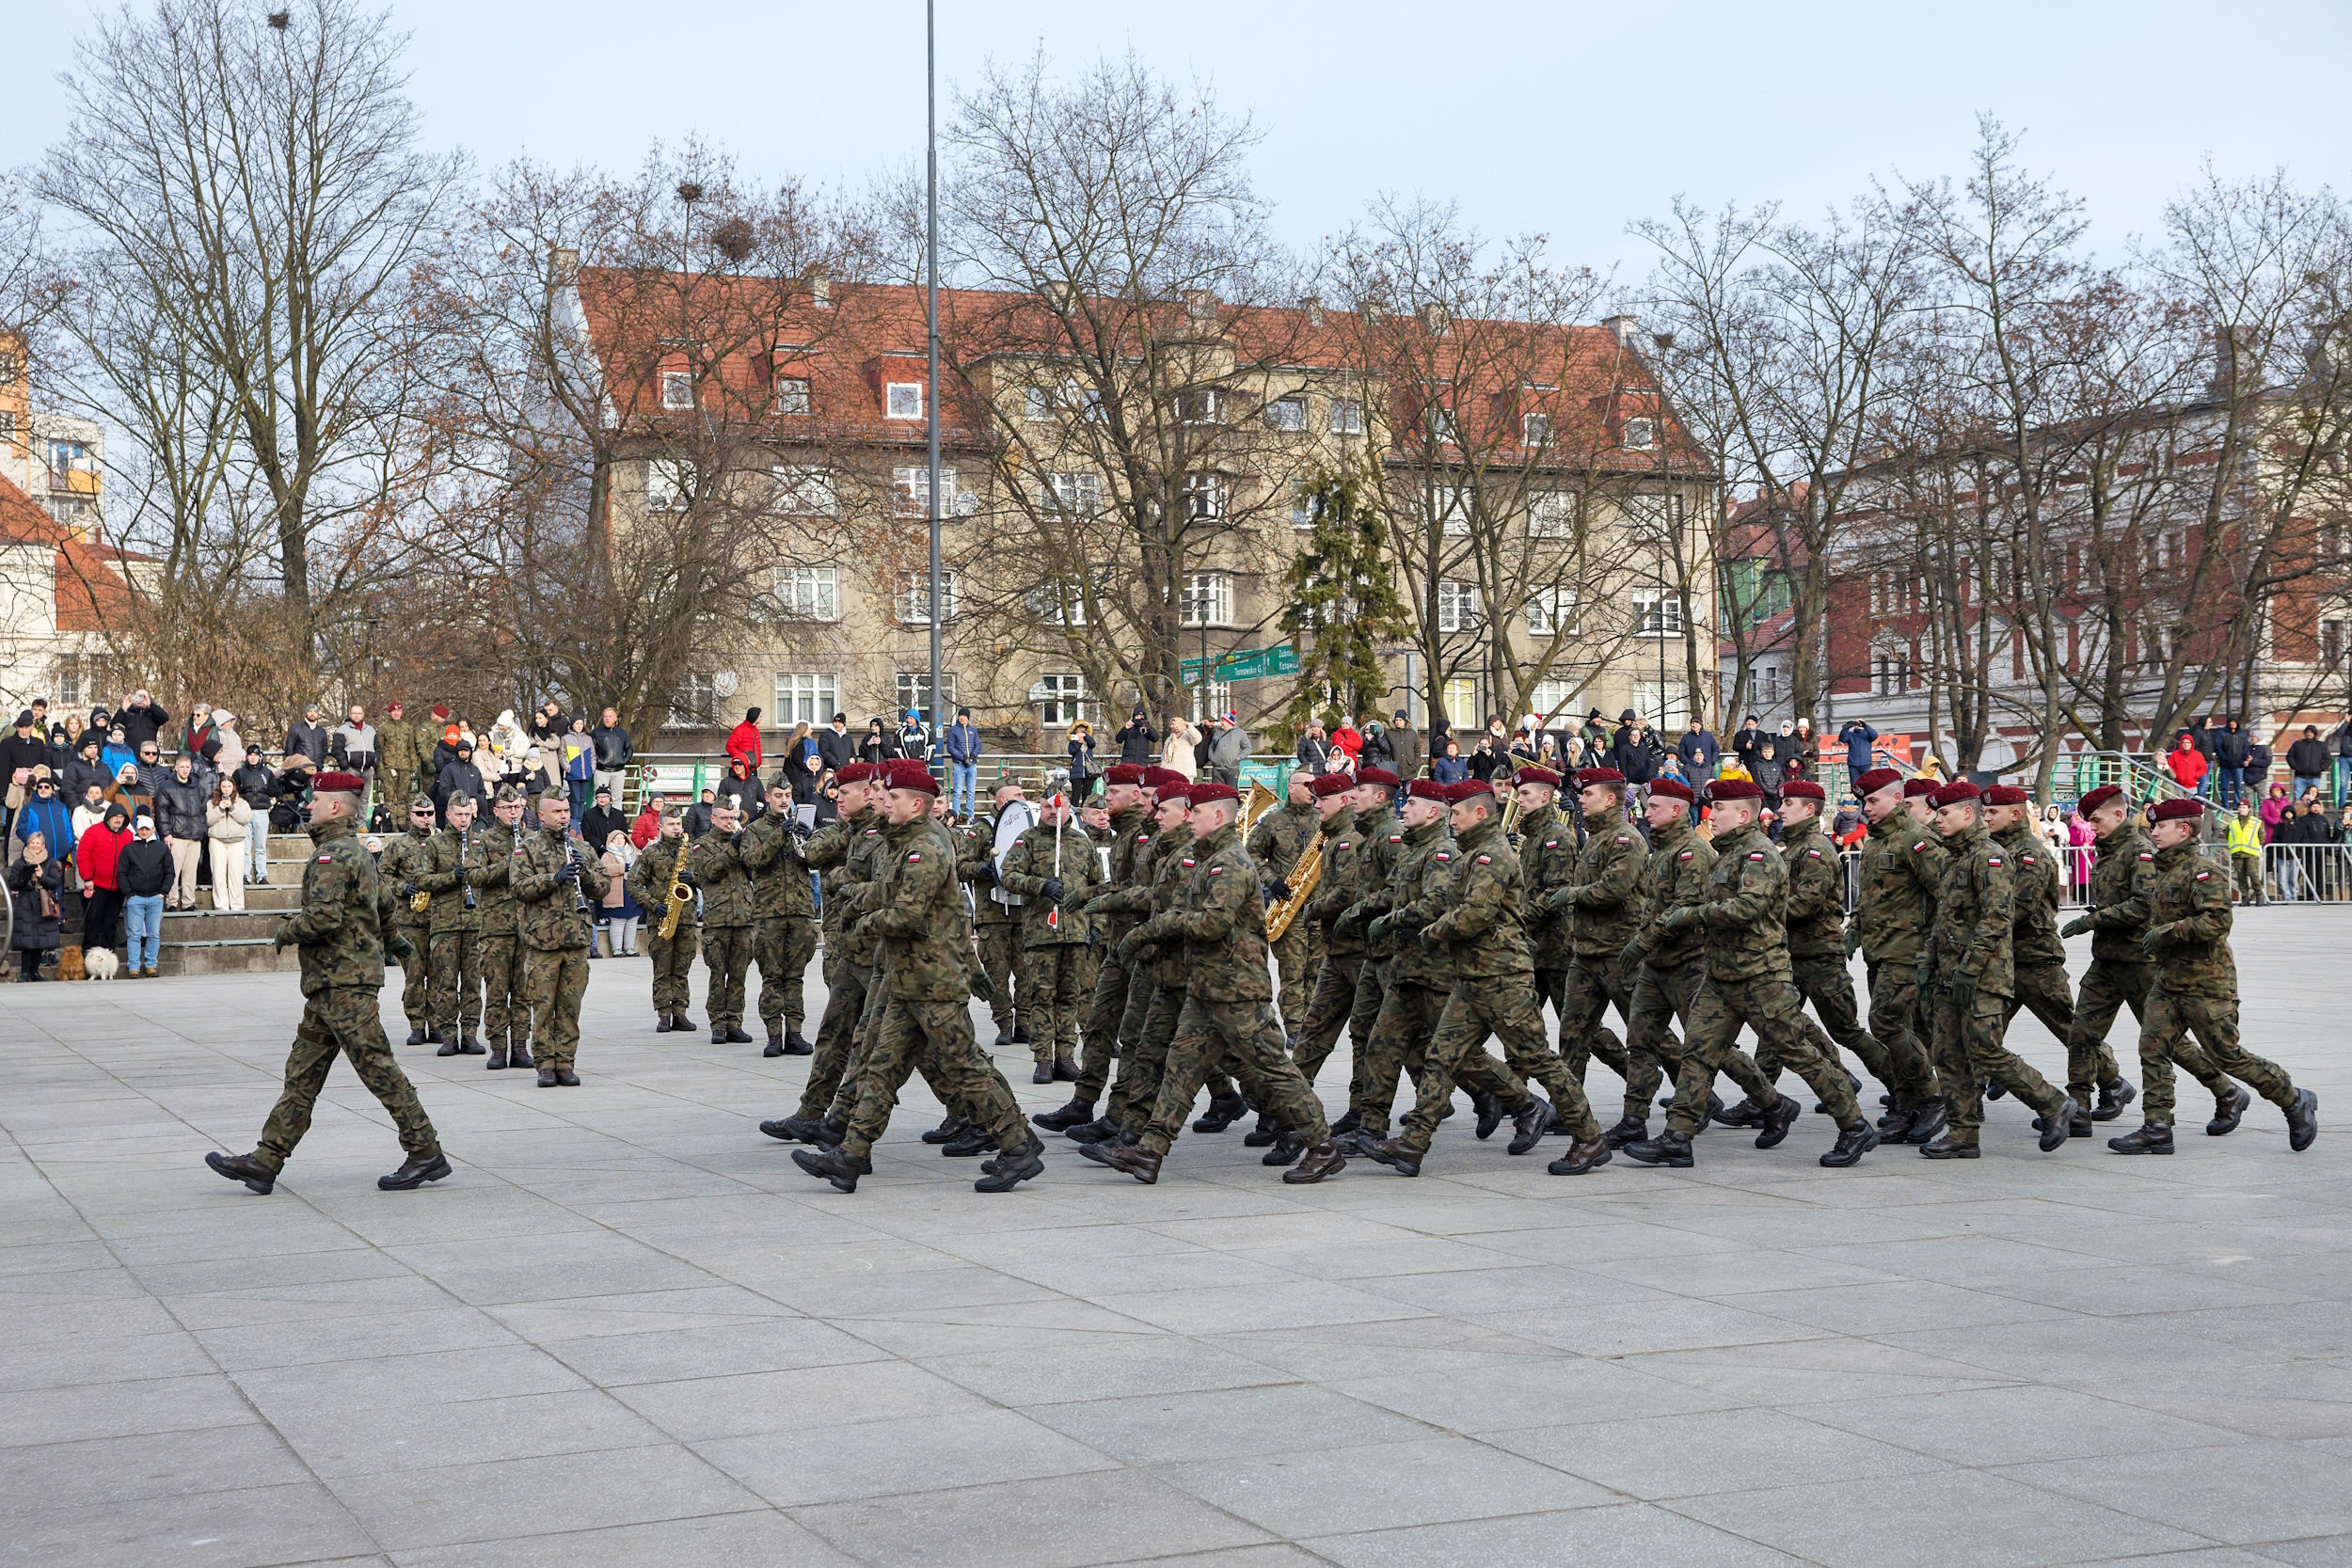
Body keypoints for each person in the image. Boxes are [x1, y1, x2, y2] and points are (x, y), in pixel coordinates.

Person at [202, 771, 448, 1195]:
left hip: (343, 984)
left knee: (377, 1067)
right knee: (303, 1074)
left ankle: (425, 1149)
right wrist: (398, 944)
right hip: (332, 986)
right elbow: (385, 906)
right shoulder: (358, 854)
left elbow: (325, 918)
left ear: (335, 807)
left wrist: (285, 931)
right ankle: (265, 1160)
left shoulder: (330, 857)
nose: (309, 806)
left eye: (315, 800)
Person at [1089, 781, 1345, 1184]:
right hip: (1206, 988)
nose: (1188, 819)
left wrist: (1156, 928)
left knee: (1274, 1070)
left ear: (1219, 816)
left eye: (1196, 813)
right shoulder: (1205, 859)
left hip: (1238, 991)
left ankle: (1323, 1146)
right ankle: (1149, 1151)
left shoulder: (1230, 862)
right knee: (1180, 1067)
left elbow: (1212, 923)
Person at [1625, 778, 1881, 1170]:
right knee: (1697, 1052)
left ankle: (1854, 1124)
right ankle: (1678, 1137)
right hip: (1722, 974)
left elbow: (1748, 908)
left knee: (1798, 1052)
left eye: (1720, 809)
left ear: (1743, 814)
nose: (1712, 815)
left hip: (1761, 975)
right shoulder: (1727, 854)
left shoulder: (1759, 854)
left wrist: (1691, 915)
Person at [1360, 779, 1610, 1175]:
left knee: (1537, 1059)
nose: (1451, 821)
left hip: (1502, 976)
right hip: (1472, 977)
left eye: (1456, 813)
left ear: (1478, 813)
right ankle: (1412, 1145)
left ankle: (1590, 1137)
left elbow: (1476, 914)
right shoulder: (1470, 854)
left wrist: (1430, 934)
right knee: (1441, 1056)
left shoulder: (1492, 856)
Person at [2106, 798, 2319, 1155]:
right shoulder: (2164, 870)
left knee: (2226, 1055)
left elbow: (2218, 921)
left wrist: (2166, 933)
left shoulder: (2204, 870)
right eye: (2153, 826)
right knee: (2153, 1047)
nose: (2153, 832)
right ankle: (2157, 1127)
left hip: (2207, 983)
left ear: (2183, 829)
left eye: (2160, 827)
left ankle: (2294, 1098)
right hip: (2168, 980)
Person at [1843, 770, 1947, 1142]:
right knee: (1894, 1029)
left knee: (1885, 1022)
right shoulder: (1875, 842)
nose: (1866, 808)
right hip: (1880, 950)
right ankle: (1906, 1102)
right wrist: (1854, 930)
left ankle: (1933, 1097)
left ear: (1898, 798)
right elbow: (1869, 898)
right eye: (1864, 802)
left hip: (1908, 950)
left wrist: (1933, 947)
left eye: (1873, 801)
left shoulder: (1916, 840)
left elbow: (1946, 895)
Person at [998, 789, 1106, 1084]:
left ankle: (1065, 1057)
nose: (1052, 812)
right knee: (1042, 997)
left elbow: (1098, 888)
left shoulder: (1083, 843)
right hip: (1041, 932)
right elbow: (1007, 875)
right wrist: (1040, 886)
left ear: (1069, 808)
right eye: (1046, 807)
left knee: (1071, 997)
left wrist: (1096, 925)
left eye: (1057, 807)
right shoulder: (1028, 840)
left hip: (1077, 933)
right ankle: (1043, 1059)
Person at [511, 789, 610, 1086]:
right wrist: (553, 879)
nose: (564, 816)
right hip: (543, 943)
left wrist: (585, 874)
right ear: (542, 815)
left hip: (577, 941)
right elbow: (518, 887)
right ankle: (544, 1064)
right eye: (557, 812)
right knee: (543, 1008)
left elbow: (603, 887)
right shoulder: (527, 849)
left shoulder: (582, 848)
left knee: (570, 1007)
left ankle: (565, 1063)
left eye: (566, 810)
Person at [741, 781, 818, 1055]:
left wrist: (808, 840)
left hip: (799, 910)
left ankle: (794, 1033)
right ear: (767, 797)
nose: (783, 800)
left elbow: (816, 862)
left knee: (795, 976)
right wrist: (777, 838)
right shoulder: (755, 829)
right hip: (768, 913)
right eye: (778, 796)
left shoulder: (800, 826)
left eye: (787, 795)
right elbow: (752, 861)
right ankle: (774, 1035)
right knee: (772, 976)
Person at [468, 785, 535, 1069]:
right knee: (497, 990)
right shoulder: (483, 841)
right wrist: (508, 864)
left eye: (517, 807)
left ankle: (521, 1046)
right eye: (507, 808)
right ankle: (498, 1047)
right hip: (496, 926)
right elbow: (474, 875)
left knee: (523, 990)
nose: (513, 812)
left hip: (528, 925)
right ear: (496, 811)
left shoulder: (533, 839)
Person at [683, 800, 757, 1045]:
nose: (729, 822)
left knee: (739, 976)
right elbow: (709, 871)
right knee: (718, 974)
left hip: (743, 918)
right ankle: (718, 1024)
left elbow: (753, 872)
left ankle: (735, 1023)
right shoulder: (701, 845)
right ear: (713, 819)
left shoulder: (742, 841)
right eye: (724, 818)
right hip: (718, 920)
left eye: (732, 818)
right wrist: (733, 849)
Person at [628, 804, 698, 1032]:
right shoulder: (651, 853)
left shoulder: (691, 851)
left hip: (685, 916)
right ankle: (663, 1014)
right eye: (671, 825)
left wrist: (694, 877)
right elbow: (633, 883)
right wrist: (653, 904)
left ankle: (680, 1012)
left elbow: (708, 877)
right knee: (662, 967)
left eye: (679, 824)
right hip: (661, 917)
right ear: (660, 827)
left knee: (683, 966)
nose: (676, 829)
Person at [116, 812, 173, 974]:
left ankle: (150, 965)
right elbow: (122, 873)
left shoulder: (162, 848)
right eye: (142, 829)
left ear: (153, 829)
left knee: (153, 934)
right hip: (136, 897)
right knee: (134, 934)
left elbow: (169, 871)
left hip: (155, 896)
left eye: (147, 829)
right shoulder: (129, 849)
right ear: (137, 829)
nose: (144, 831)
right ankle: (133, 966)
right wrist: (129, 893)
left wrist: (163, 891)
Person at [77, 803, 132, 959]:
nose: (118, 820)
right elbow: (83, 855)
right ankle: (89, 956)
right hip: (96, 885)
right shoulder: (93, 832)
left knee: (111, 922)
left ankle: (108, 957)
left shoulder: (127, 835)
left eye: (121, 817)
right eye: (115, 816)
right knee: (93, 919)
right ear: (108, 817)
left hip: (117, 887)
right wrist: (87, 878)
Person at [8, 831, 65, 980]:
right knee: (26, 939)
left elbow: (56, 882)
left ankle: (34, 972)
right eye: (32, 843)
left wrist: (42, 876)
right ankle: (24, 973)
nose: (34, 845)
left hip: (43, 904)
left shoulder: (50, 862)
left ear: (43, 845)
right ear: (28, 844)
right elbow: (12, 883)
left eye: (37, 843)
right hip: (25, 904)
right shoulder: (19, 862)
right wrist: (25, 878)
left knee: (40, 939)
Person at [154, 753, 207, 911]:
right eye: (182, 767)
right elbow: (161, 811)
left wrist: (202, 831)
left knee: (190, 872)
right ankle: (171, 902)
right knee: (173, 871)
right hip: (176, 836)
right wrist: (166, 833)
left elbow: (203, 811)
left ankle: (188, 902)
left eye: (187, 767)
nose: (185, 770)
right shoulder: (166, 786)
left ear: (191, 768)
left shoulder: (198, 787)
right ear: (175, 767)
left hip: (194, 836)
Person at [204, 775, 252, 911]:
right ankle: (221, 906)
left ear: (233, 787)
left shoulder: (241, 802)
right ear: (220, 787)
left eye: (229, 787)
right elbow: (208, 820)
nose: (226, 790)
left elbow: (246, 818)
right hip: (217, 841)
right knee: (218, 875)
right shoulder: (211, 803)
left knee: (236, 875)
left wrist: (232, 808)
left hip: (236, 841)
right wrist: (219, 809)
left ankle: (237, 905)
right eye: (224, 787)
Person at [231, 743, 276, 885]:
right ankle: (245, 876)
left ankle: (262, 875)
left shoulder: (267, 773)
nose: (253, 758)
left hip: (262, 811)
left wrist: (268, 791)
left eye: (255, 755)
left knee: (260, 847)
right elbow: (233, 790)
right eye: (250, 755)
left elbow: (275, 790)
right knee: (245, 847)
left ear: (260, 757)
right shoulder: (239, 772)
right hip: (245, 811)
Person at [600, 829, 640, 958]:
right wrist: (623, 867)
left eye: (621, 838)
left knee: (633, 920)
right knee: (618, 920)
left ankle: (629, 948)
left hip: (632, 890)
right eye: (615, 838)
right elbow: (604, 869)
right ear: (611, 841)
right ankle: (617, 949)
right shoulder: (607, 855)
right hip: (617, 892)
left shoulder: (634, 852)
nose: (619, 840)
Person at [943, 706, 983, 817]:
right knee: (958, 793)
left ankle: (971, 817)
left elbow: (978, 745)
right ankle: (955, 816)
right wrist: (963, 758)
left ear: (968, 717)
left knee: (971, 793)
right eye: (961, 715)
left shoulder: (973, 730)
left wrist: (973, 756)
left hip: (972, 765)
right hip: (959, 765)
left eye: (964, 716)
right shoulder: (953, 730)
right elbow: (951, 748)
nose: (962, 718)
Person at [590, 707, 633, 803]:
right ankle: (595, 819)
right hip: (601, 771)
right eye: (605, 716)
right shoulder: (596, 732)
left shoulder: (622, 733)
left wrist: (625, 760)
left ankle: (616, 818)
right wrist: (599, 761)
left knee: (617, 799)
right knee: (598, 798)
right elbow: (591, 750)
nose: (607, 718)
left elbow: (629, 748)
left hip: (619, 771)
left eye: (610, 716)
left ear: (616, 718)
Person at [2228, 798, 2265, 905]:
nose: (2241, 810)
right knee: (2241, 876)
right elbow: (2228, 835)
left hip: (2251, 853)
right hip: (2237, 853)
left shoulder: (2256, 822)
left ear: (2249, 809)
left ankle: (2259, 895)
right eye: (2240, 807)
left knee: (2253, 875)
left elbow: (2262, 836)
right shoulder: (2232, 822)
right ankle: (2245, 897)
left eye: (2244, 807)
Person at [2208, 717, 2249, 809]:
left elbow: (2246, 748)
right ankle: (2225, 806)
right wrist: (2224, 757)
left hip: (2238, 765)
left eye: (2235, 721)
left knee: (2238, 786)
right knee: (2224, 786)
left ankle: (2237, 805)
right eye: (2231, 722)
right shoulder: (2221, 733)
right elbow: (2217, 747)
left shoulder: (2242, 734)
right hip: (2225, 764)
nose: (2233, 723)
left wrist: (2242, 758)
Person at [1204, 712, 1249, 785]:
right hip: (1217, 769)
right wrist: (1212, 758)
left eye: (1223, 721)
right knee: (1217, 792)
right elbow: (1211, 746)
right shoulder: (1217, 732)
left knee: (1231, 792)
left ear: (1229, 722)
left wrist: (1238, 758)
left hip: (1232, 769)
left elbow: (1248, 748)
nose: (1221, 723)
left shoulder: (1240, 733)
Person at [2288, 724, 2329, 801]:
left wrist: (2321, 768)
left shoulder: (2321, 745)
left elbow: (2328, 759)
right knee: (2298, 799)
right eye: (2307, 732)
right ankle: (2298, 813)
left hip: (2315, 777)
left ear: (2315, 733)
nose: (2309, 734)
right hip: (2300, 776)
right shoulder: (2298, 744)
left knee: (2313, 799)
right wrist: (2294, 766)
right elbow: (2290, 756)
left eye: (2311, 732)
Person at [283, 705, 329, 772]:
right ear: (306, 713)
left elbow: (324, 750)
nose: (312, 713)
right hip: (301, 770)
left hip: (318, 769)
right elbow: (289, 749)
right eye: (310, 711)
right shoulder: (296, 729)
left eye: (315, 711)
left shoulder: (322, 731)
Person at [581, 784, 628, 852]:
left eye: (605, 797)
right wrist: (600, 846)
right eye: (599, 797)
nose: (602, 800)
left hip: (616, 851)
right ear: (596, 798)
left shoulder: (619, 814)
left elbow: (624, 832)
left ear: (609, 798)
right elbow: (587, 834)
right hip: (595, 851)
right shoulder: (588, 815)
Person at [1678, 718, 1722, 784]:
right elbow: (1681, 752)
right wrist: (1687, 762)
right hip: (1691, 770)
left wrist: (1712, 761)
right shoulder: (1686, 738)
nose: (1694, 725)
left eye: (1697, 723)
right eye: (1693, 723)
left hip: (1707, 768)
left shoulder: (1708, 736)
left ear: (1701, 725)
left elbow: (1715, 749)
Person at [2166, 731, 2207, 795]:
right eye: (2184, 742)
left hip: (2192, 785)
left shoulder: (2197, 755)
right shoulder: (2175, 754)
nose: (2186, 744)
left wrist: (2195, 775)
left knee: (2191, 804)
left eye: (2188, 743)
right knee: (2178, 804)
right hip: (2178, 785)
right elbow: (2169, 766)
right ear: (2181, 744)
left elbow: (2203, 768)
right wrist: (2175, 775)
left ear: (2191, 744)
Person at [817, 712, 858, 776]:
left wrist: (853, 758)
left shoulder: (848, 738)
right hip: (832, 771)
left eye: (840, 722)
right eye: (835, 722)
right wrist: (836, 763)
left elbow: (853, 752)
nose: (837, 724)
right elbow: (824, 752)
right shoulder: (826, 735)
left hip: (847, 770)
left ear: (844, 724)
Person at [1162, 713, 1200, 781]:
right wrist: (1163, 769)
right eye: (1171, 724)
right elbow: (1164, 757)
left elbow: (1197, 739)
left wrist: (1189, 727)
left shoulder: (1187, 736)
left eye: (1173, 724)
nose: (1171, 726)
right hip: (1170, 774)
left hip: (1185, 773)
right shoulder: (1169, 739)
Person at [726, 706, 764, 773]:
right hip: (744, 768)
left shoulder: (756, 730)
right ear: (755, 717)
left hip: (753, 768)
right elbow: (730, 746)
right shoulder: (740, 730)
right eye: (760, 716)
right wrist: (742, 757)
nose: (761, 718)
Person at [1066, 720, 1098, 797]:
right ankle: (1075, 808)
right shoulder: (1073, 742)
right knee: (1076, 793)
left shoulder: (1088, 741)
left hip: (1089, 771)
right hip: (1077, 770)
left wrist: (1086, 736)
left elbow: (1093, 744)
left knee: (1087, 793)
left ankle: (1085, 808)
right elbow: (1071, 751)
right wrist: (1078, 743)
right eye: (1078, 732)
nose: (1080, 734)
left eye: (1082, 732)